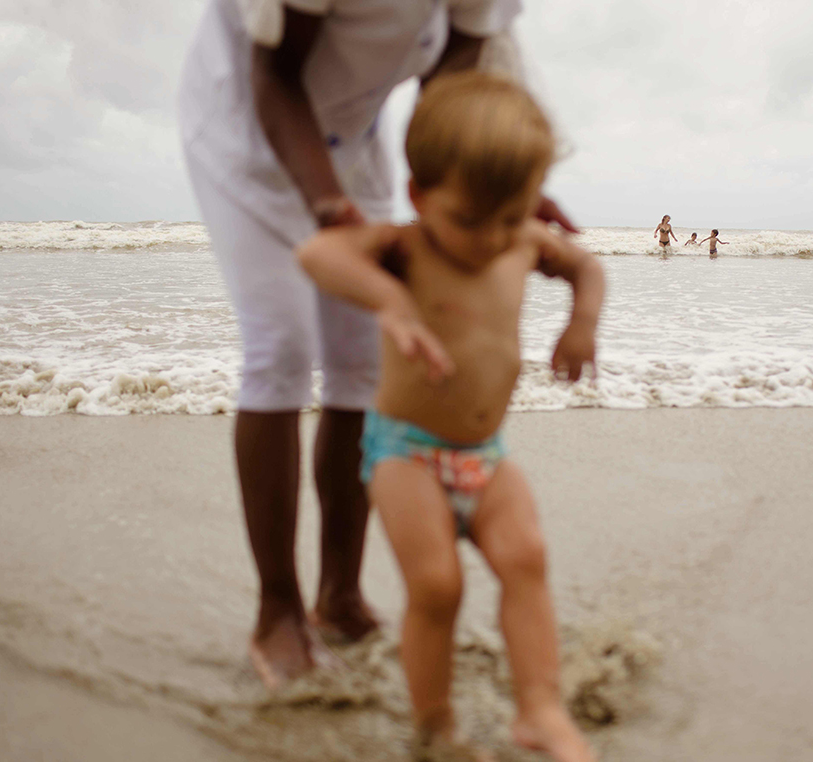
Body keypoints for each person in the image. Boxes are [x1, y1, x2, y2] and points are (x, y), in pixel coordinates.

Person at [177, 0, 576, 690]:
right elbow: (275, 71)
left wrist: (491, 186)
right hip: (253, 126)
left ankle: (339, 596)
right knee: (281, 351)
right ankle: (278, 610)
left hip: (355, 143)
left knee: (364, 363)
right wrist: (330, 209)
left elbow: (454, 81)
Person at [297, 72, 604, 762]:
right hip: (406, 451)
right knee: (437, 584)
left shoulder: (519, 239)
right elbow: (318, 253)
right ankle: (436, 724)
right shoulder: (406, 246)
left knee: (527, 558)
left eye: (510, 216)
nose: (489, 240)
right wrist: (389, 302)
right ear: (420, 195)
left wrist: (582, 322)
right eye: (468, 220)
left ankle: (540, 710)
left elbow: (587, 267)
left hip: (486, 454)